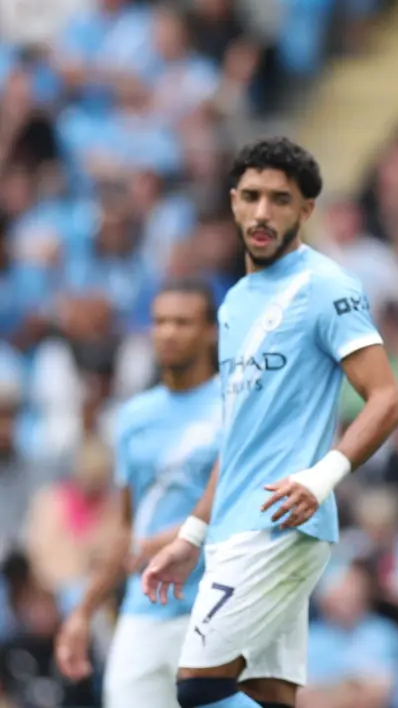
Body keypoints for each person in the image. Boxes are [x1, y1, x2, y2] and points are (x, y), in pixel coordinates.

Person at [140, 138, 398, 708]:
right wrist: (191, 536)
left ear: (306, 210)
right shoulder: (235, 301)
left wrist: (321, 478)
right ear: (234, 202)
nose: (263, 213)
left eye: (280, 200)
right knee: (267, 694)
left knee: (198, 690)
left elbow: (386, 400)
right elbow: (237, 439)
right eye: (252, 197)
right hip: (233, 526)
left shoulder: (326, 286)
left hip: (279, 525)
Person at [54, 279, 223, 707]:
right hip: (142, 609)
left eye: (182, 322)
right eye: (160, 322)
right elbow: (128, 525)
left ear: (211, 331)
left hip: (215, 606)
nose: (168, 332)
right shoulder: (134, 416)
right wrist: (82, 612)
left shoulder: (232, 406)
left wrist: (167, 540)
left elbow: (241, 503)